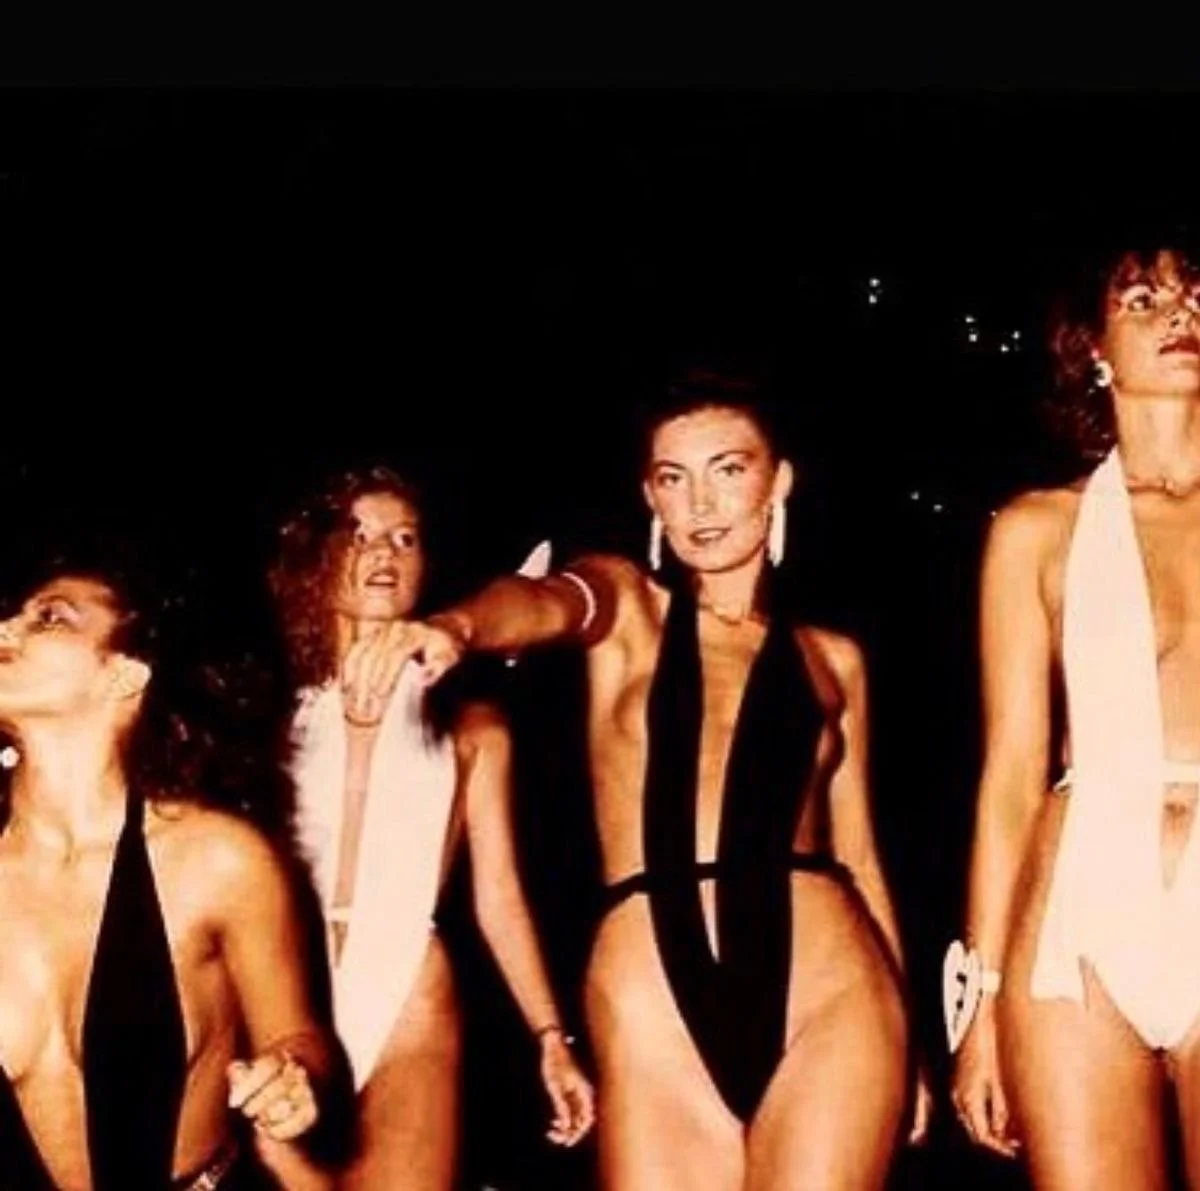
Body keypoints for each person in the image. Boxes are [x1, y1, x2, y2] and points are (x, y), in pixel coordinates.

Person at [395, 367, 927, 1190]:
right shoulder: (628, 611)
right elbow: (542, 601)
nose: (701, 503)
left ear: (779, 480)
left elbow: (859, 859)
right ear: (651, 496)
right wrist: (458, 625)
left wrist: (913, 1045)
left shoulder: (834, 660)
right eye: (674, 479)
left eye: (729, 469)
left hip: (832, 991)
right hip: (652, 1002)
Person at [952, 233, 1200, 1187]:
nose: (1179, 315)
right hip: (1080, 913)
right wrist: (980, 1005)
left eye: (1194, 296)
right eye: (1144, 299)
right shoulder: (1036, 530)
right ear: (1092, 348)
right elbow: (1010, 772)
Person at [269, 465, 594, 1189]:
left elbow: (499, 897)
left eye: (405, 537)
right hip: (287, 984)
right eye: (359, 535)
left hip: (409, 987)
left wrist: (551, 1037)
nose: (384, 551)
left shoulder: (472, 726)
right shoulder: (271, 711)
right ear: (318, 557)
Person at [0, 532, 337, 1190]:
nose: (5, 627)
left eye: (50, 616)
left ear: (125, 674)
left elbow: (298, 1035)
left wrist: (293, 1078)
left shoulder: (216, 859)